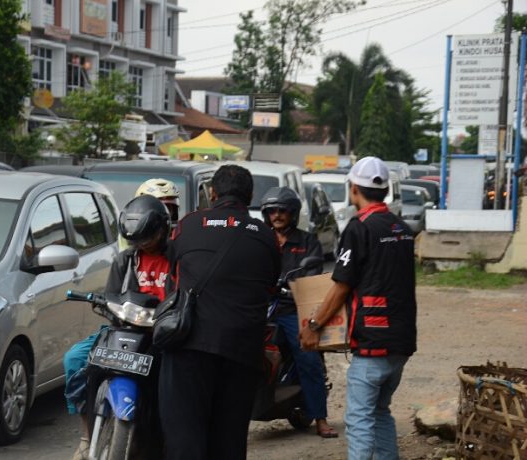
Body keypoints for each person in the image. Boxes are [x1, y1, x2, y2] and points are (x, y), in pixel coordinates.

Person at [159, 165, 281, 460]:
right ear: (250, 196)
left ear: (212, 193)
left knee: (185, 439)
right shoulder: (266, 236)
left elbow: (173, 276)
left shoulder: (188, 224)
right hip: (242, 351)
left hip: (190, 345)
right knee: (229, 440)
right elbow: (270, 285)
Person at [300, 157, 417, 460]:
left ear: (353, 189)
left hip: (372, 342)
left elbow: (341, 285)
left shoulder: (359, 227)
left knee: (359, 419)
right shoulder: (402, 228)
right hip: (401, 341)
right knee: (380, 412)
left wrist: (314, 325)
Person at [64, 195, 173, 460]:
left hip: (161, 336)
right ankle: (86, 434)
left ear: (162, 230)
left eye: (148, 239)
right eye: (138, 241)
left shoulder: (177, 259)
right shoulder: (126, 260)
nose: (143, 245)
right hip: (124, 331)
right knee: (74, 359)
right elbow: (111, 295)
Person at [260, 186, 338, 439]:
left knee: (308, 356)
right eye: (272, 210)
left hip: (292, 308)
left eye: (282, 210)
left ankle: (320, 418)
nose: (277, 215)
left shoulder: (307, 241)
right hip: (261, 307)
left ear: (292, 213)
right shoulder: (261, 239)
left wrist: (291, 286)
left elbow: (312, 274)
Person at [118, 178, 180, 251]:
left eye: (169, 208)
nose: (166, 214)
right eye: (159, 208)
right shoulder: (131, 234)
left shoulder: (181, 235)